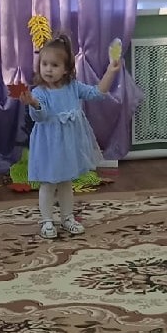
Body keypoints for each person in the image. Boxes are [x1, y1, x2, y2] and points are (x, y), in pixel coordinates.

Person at [20, 33, 121, 239]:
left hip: (68, 145)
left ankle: (67, 217)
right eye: (44, 64)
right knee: (48, 183)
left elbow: (97, 93)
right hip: (48, 146)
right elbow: (40, 116)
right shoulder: (39, 92)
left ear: (66, 69)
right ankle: (47, 220)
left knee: (66, 182)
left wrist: (111, 71)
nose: (48, 69)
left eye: (54, 65)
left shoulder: (73, 87)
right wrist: (33, 104)